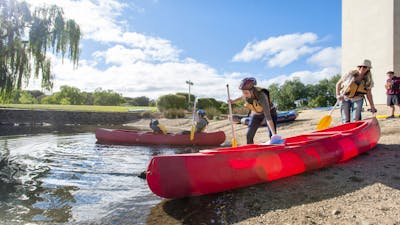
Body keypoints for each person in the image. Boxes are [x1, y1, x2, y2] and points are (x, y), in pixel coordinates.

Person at [228, 77, 283, 144]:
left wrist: (274, 135)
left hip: (270, 112)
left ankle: (275, 145)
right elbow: (242, 97)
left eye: (246, 93)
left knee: (272, 135)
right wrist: (233, 101)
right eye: (243, 93)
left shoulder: (262, 96)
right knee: (249, 135)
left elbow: (268, 117)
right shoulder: (246, 94)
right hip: (257, 113)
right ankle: (250, 151)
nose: (244, 95)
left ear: (252, 90)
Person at [335, 59, 377, 123]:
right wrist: (338, 95)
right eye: (360, 66)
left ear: (368, 68)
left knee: (356, 119)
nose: (362, 68)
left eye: (364, 67)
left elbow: (369, 94)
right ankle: (347, 131)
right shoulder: (350, 74)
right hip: (345, 98)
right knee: (345, 119)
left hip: (358, 99)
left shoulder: (368, 80)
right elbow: (338, 84)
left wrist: (372, 106)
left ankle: (355, 131)